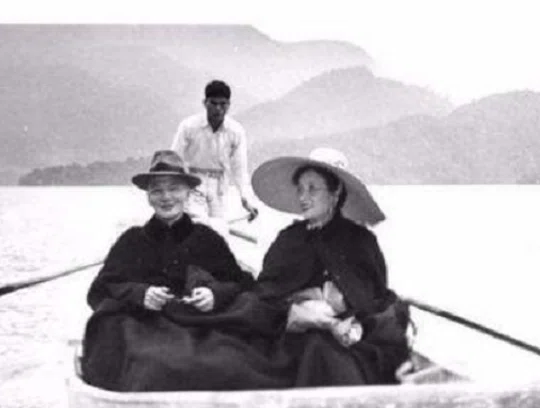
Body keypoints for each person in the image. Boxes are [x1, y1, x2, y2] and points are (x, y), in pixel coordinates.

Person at [79, 150, 286, 392]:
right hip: (146, 328)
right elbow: (99, 291)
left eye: (174, 189)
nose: (166, 197)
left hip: (201, 326)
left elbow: (241, 283)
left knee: (231, 362)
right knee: (154, 366)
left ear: (188, 193)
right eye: (157, 190)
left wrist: (215, 295)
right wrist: (140, 294)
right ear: (148, 196)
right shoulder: (132, 241)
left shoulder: (207, 239)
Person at [250, 148, 412, 387]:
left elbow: (375, 298)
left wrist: (345, 311)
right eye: (301, 189)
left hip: (351, 336)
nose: (304, 197)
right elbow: (265, 292)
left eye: (313, 189)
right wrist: (301, 307)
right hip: (291, 335)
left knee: (329, 353)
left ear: (335, 193)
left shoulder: (360, 240)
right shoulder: (289, 238)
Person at [171, 80, 259, 226]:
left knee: (217, 231)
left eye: (223, 104)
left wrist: (246, 199)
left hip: (219, 187)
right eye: (214, 103)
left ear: (229, 105)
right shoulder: (189, 126)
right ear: (205, 103)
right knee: (197, 227)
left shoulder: (236, 131)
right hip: (193, 183)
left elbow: (240, 169)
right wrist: (171, 191)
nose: (218, 109)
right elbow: (174, 159)